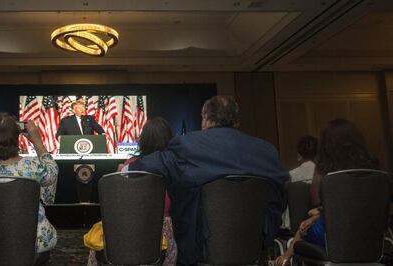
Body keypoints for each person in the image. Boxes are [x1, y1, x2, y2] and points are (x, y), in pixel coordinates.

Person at [126, 96, 289, 265]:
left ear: (205, 118)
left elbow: (147, 165)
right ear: (236, 120)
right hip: (254, 248)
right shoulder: (266, 152)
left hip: (199, 250)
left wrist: (126, 168)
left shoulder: (187, 147)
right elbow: (282, 192)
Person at [272, 119, 378, 266]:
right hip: (371, 235)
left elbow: (316, 199)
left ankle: (284, 258)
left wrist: (319, 169)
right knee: (310, 222)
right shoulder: (375, 172)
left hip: (335, 236)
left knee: (304, 227)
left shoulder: (329, 173)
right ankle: (285, 257)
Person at [85, 117, 178, 266]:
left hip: (129, 228)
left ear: (144, 139)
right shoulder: (176, 165)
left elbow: (118, 202)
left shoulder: (130, 165)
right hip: (164, 235)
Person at [0, 113, 59, 255]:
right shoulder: (33, 167)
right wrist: (37, 141)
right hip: (33, 244)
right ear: (16, 139)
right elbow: (52, 171)